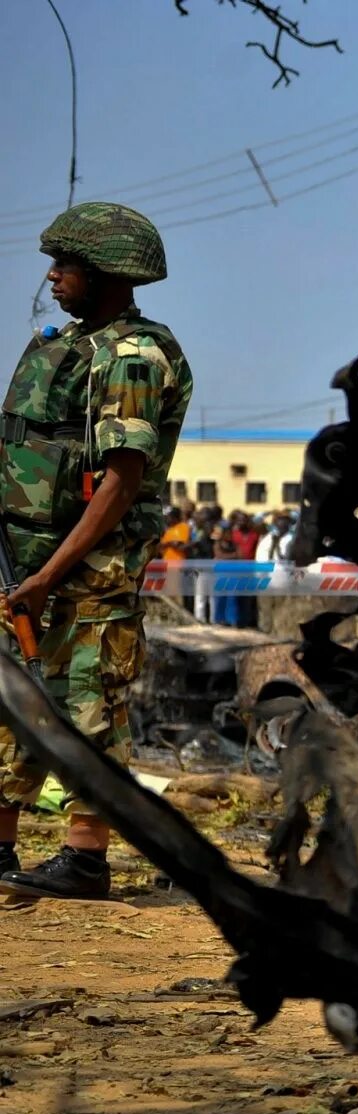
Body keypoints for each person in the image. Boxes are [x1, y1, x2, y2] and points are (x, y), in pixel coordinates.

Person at [0, 202, 191, 899]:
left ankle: (84, 856)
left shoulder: (133, 356)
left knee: (87, 703)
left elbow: (121, 480)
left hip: (90, 568)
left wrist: (51, 574)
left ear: (106, 273)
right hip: (31, 560)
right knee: (16, 700)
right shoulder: (71, 346)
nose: (52, 277)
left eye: (67, 266)